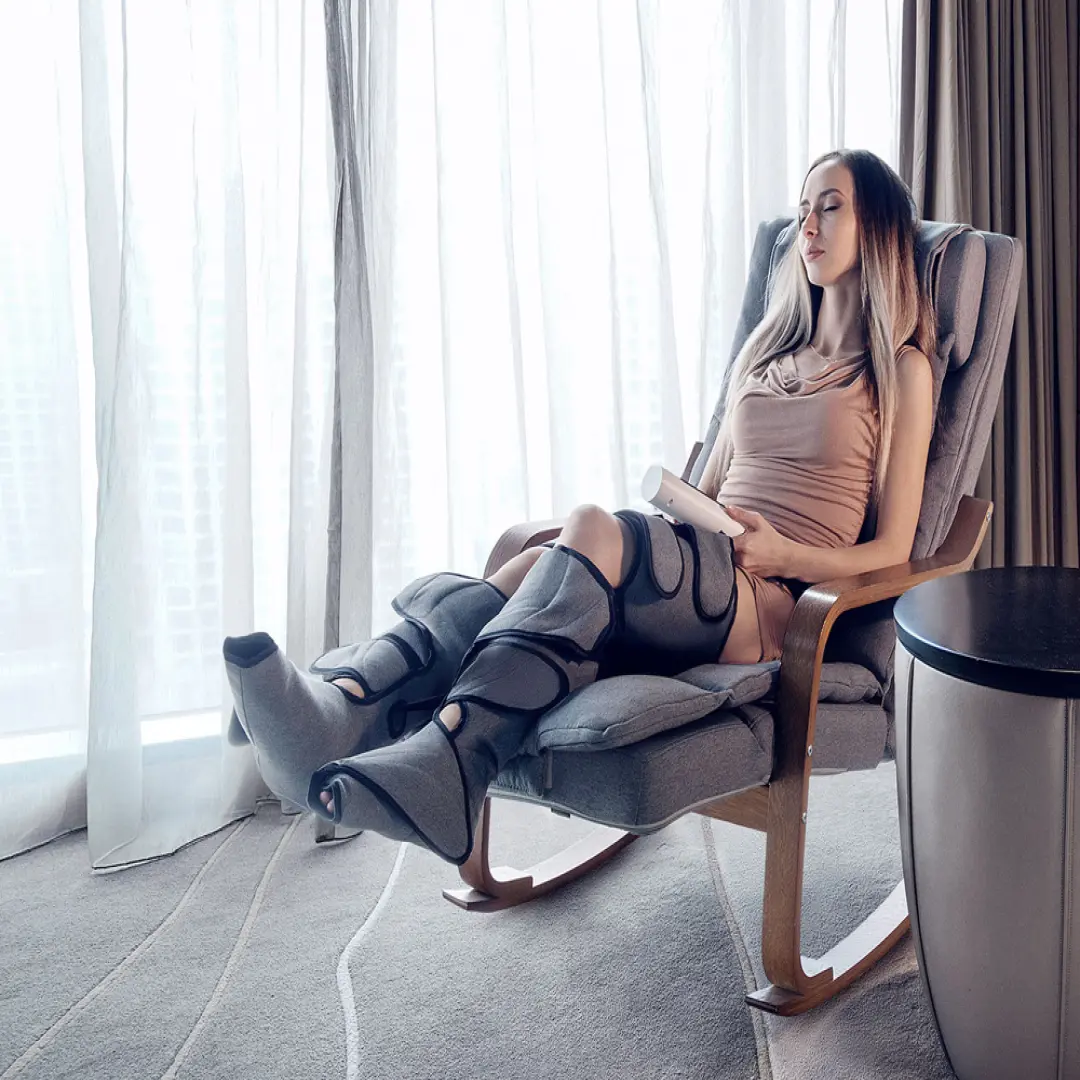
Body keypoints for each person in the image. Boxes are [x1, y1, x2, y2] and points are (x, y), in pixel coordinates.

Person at [223, 148, 936, 867]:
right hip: (709, 568)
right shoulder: (765, 352)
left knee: (589, 526)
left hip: (775, 606)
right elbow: (716, 486)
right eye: (804, 207)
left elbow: (895, 550)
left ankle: (435, 749)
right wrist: (684, 508)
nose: (806, 225)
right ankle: (345, 708)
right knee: (536, 563)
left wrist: (785, 554)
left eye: (830, 207)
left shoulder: (899, 369)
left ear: (875, 226)